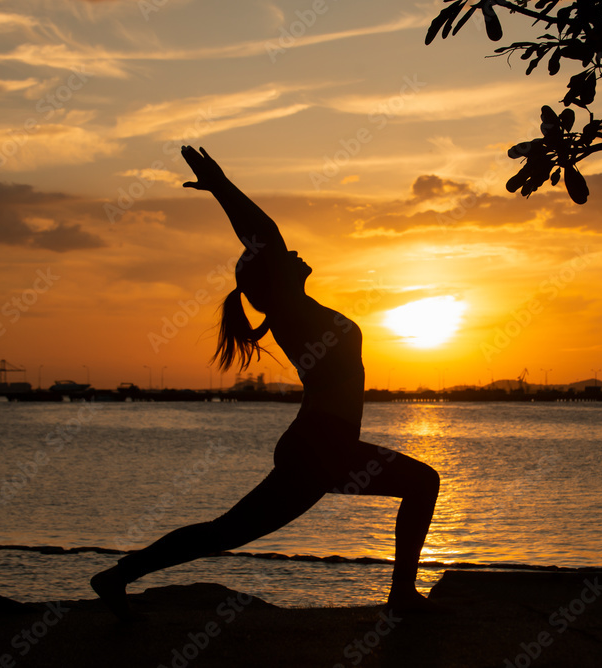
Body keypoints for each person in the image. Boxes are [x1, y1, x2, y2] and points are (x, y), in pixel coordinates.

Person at [92, 146, 441, 618]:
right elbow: (266, 234)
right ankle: (400, 597)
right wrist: (222, 188)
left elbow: (271, 243)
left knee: (226, 532)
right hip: (321, 446)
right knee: (421, 483)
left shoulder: (297, 310)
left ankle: (118, 575)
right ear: (273, 277)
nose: (295, 252)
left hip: (321, 446)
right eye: (283, 256)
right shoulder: (289, 312)